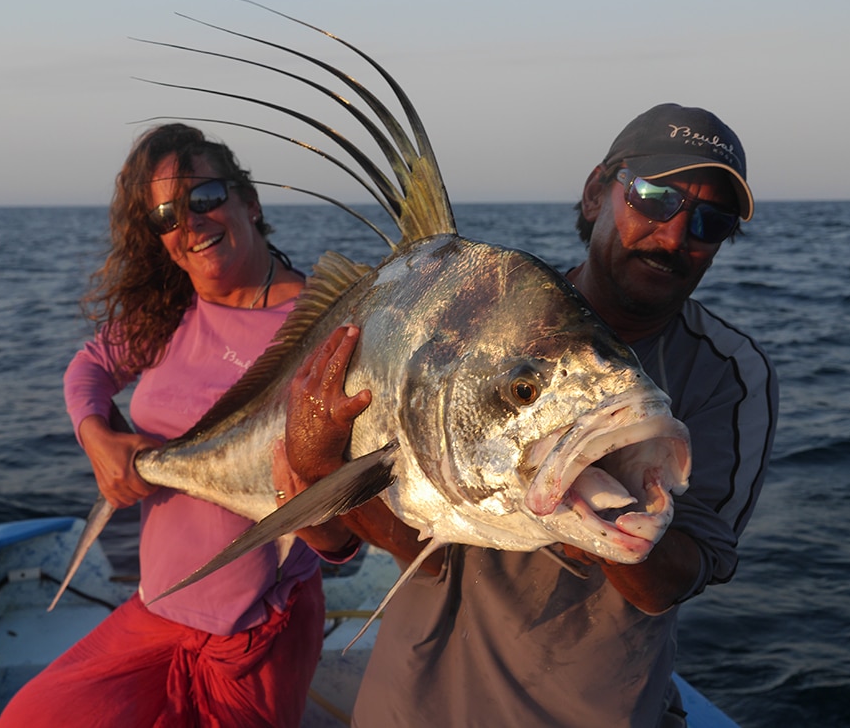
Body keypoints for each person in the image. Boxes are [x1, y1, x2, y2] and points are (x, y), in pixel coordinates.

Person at [277, 103, 779, 727]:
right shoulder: (476, 320)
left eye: (711, 220)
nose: (676, 235)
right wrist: (320, 463)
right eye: (654, 198)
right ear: (598, 192)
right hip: (406, 708)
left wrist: (605, 518)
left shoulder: (731, 377)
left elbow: (670, 580)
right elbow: (418, 553)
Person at [0, 122, 357, 728]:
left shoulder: (325, 324)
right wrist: (98, 439)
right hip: (157, 609)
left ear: (250, 201)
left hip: (256, 628)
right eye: (165, 216)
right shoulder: (169, 315)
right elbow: (88, 368)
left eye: (204, 198)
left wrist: (329, 536)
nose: (187, 224)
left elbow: (356, 503)